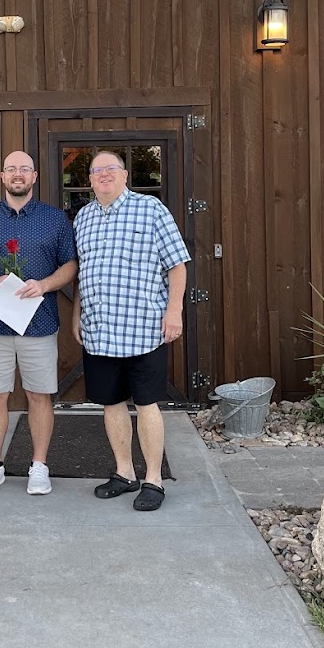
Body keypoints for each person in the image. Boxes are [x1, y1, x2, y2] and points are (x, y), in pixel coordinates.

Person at [72, 151, 190, 512]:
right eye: (97, 170)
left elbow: (177, 265)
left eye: (112, 169)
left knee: (146, 404)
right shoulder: (83, 217)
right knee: (111, 404)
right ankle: (124, 473)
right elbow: (82, 272)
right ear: (90, 179)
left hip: (143, 329)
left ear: (125, 175)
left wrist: (174, 311)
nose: (104, 175)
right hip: (99, 329)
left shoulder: (151, 209)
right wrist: (77, 314)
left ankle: (153, 479)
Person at [0, 152, 78, 496]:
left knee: (39, 396)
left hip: (39, 323)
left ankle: (39, 466)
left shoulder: (55, 219)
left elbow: (70, 264)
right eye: (11, 169)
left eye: (24, 169)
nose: (18, 174)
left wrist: (44, 285)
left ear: (34, 176)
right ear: (2, 176)